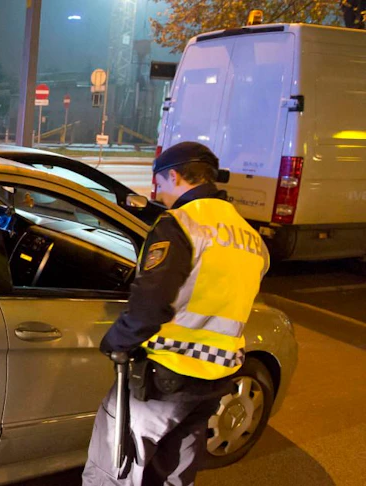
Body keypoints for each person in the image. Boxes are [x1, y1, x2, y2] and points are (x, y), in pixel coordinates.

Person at [82, 142, 270, 485]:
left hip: (165, 374)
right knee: (175, 472)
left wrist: (117, 340)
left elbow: (151, 302)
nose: (159, 192)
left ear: (174, 175)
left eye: (160, 183)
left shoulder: (181, 224)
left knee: (115, 466)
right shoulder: (251, 237)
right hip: (215, 379)